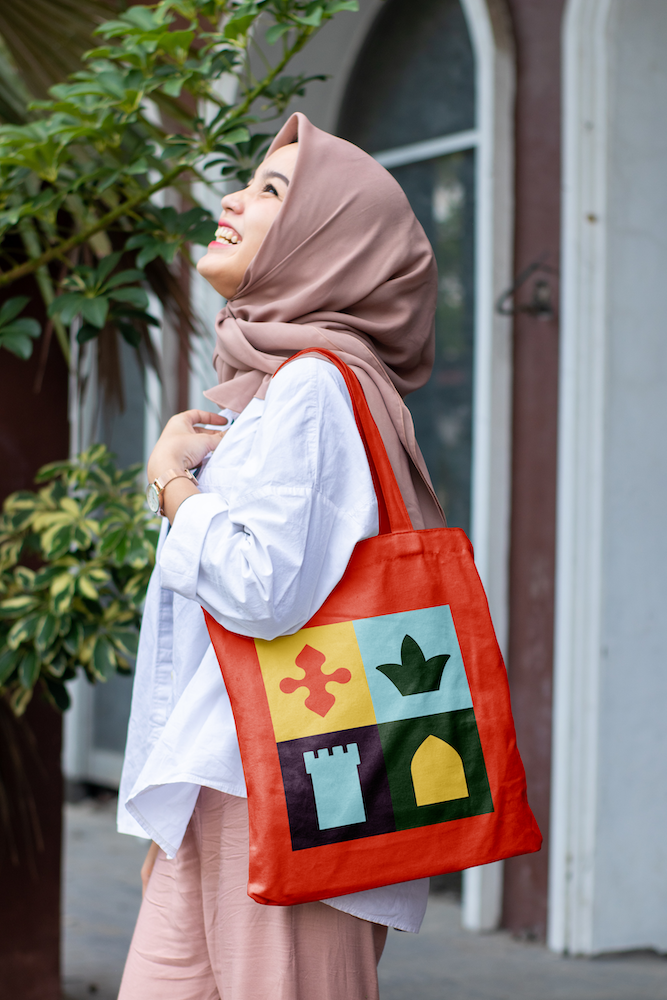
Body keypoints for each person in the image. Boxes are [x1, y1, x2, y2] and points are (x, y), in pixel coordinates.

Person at [117, 112, 445, 1000]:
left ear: (324, 242)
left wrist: (170, 486)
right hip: (233, 785)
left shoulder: (313, 385)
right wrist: (174, 817)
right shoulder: (272, 388)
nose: (233, 197)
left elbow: (261, 592)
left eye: (272, 192)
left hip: (294, 791)